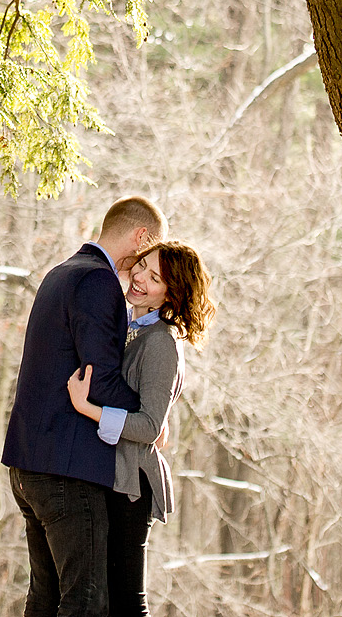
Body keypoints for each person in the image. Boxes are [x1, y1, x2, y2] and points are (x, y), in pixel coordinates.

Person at [1, 197, 165, 617]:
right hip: (67, 470)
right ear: (141, 236)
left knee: (46, 598)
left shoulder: (61, 273)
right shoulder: (98, 282)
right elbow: (101, 379)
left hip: (29, 464)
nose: (142, 267)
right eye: (146, 253)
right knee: (86, 601)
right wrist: (146, 418)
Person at [67, 242, 215, 617]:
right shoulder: (133, 328)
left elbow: (149, 426)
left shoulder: (162, 342)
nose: (140, 279)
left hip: (134, 484)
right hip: (115, 477)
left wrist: (89, 409)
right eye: (143, 266)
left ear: (171, 293)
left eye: (155, 278)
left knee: (128, 601)